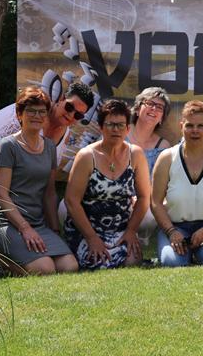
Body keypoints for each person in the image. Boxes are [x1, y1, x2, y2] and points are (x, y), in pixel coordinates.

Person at [0, 82, 93, 274]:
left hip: (24, 205)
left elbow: (47, 185)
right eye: (69, 107)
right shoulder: (22, 117)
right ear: (61, 99)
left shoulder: (58, 137)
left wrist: (54, 230)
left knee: (68, 266)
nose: (71, 115)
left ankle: (6, 257)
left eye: (78, 115)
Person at [0, 87, 78, 275]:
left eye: (41, 112)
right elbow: (0, 193)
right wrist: (25, 228)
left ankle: (18, 258)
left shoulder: (49, 147)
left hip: (37, 224)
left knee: (69, 266)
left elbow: (50, 193)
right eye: (31, 111)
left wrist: (54, 229)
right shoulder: (8, 146)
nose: (37, 116)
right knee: (45, 269)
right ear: (19, 114)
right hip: (7, 223)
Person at [64, 99, 150, 269]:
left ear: (128, 129)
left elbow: (144, 197)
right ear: (101, 127)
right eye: (110, 124)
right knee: (97, 263)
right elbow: (71, 201)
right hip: (87, 230)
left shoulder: (136, 154)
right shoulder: (86, 156)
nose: (115, 129)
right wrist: (91, 238)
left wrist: (131, 231)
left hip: (121, 229)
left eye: (120, 125)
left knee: (132, 262)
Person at [151, 101, 203, 267]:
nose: (195, 130)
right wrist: (171, 232)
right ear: (181, 126)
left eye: (200, 126)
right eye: (189, 125)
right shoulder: (167, 158)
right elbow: (155, 202)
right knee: (172, 263)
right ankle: (183, 252)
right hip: (175, 226)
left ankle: (197, 252)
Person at [127, 87, 172, 244]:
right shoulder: (119, 132)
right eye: (150, 103)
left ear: (162, 118)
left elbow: (162, 184)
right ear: (137, 109)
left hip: (144, 201)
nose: (154, 109)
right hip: (114, 196)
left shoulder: (163, 146)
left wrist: (141, 199)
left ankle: (141, 238)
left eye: (160, 107)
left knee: (150, 213)